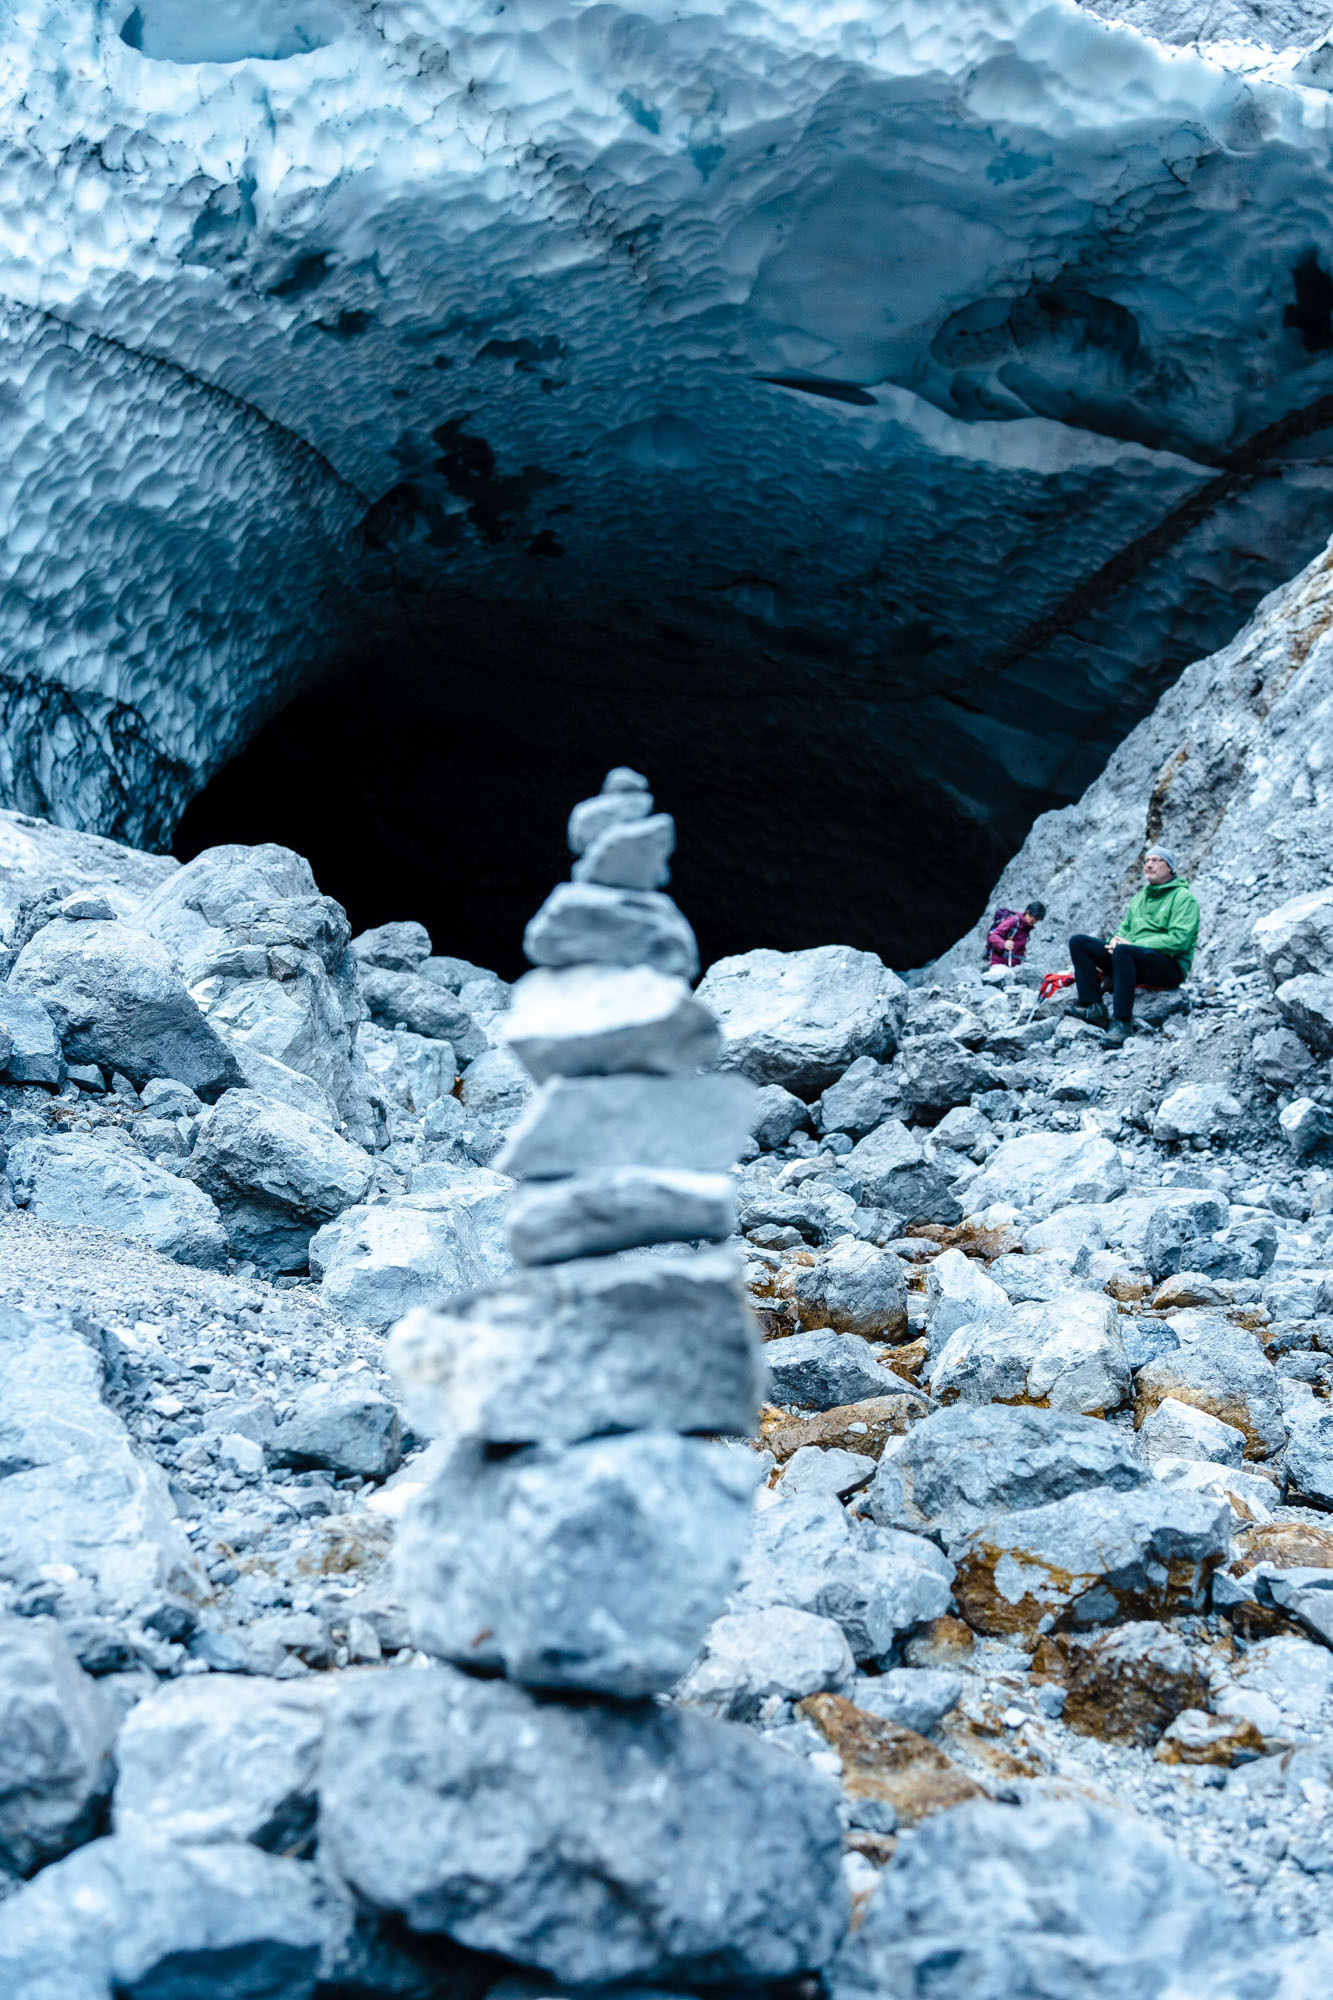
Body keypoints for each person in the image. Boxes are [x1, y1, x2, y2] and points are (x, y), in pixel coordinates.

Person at [1068, 848, 1199, 1046]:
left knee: (1124, 950)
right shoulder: (1139, 899)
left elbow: (1179, 940)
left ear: (1170, 868)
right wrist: (1114, 940)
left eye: (1156, 860)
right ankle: (1092, 1006)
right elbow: (1124, 930)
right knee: (1079, 942)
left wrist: (1130, 945)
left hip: (1169, 966)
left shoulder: (1183, 898)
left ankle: (1122, 1023)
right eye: (1147, 860)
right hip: (1130, 957)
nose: (1149, 865)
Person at [985, 901, 1046, 969]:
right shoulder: (1013, 921)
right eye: (1034, 918)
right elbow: (993, 936)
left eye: (1037, 920)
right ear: (1027, 912)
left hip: (1014, 965)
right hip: (1000, 964)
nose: (1034, 921)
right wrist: (1003, 944)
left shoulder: (1026, 927)